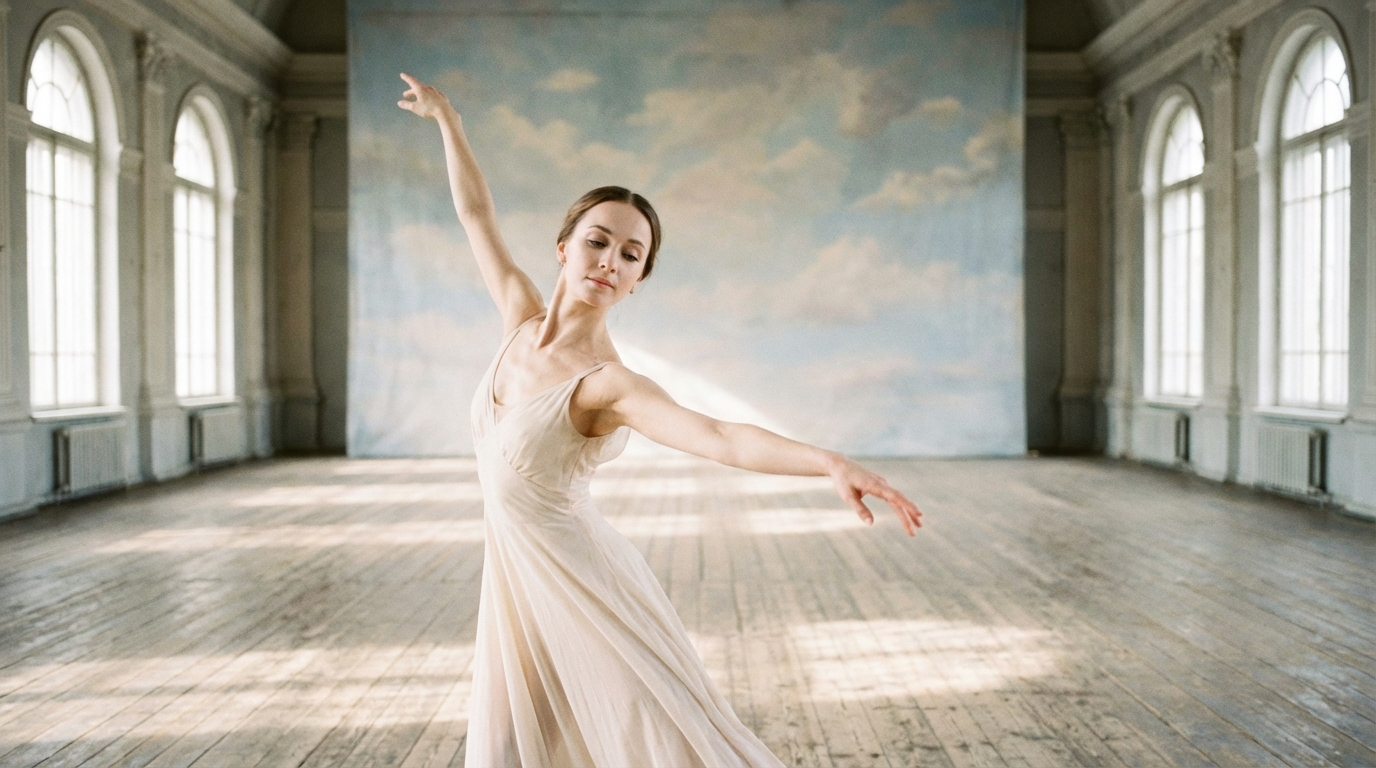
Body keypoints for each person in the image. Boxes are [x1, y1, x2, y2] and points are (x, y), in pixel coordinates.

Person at [397, 72, 924, 768]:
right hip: (519, 580)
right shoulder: (519, 319)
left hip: (585, 584)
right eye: (598, 241)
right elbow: (476, 216)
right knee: (506, 748)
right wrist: (448, 122)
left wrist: (829, 461)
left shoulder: (606, 384)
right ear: (564, 247)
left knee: (651, 739)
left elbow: (719, 436)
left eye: (631, 254)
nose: (610, 261)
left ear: (639, 280)